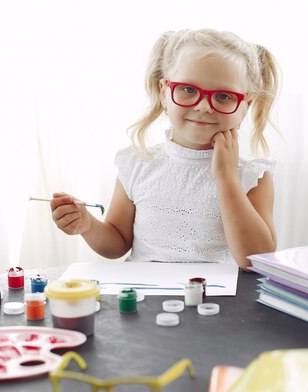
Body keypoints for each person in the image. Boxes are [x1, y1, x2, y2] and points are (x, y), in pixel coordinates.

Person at [50, 28, 279, 269]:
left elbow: (255, 259)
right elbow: (117, 243)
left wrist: (226, 177)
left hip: (216, 302)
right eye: (188, 90)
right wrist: (87, 225)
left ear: (246, 105)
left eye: (223, 95)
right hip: (144, 298)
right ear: (164, 92)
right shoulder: (137, 162)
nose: (203, 106)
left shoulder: (253, 176)